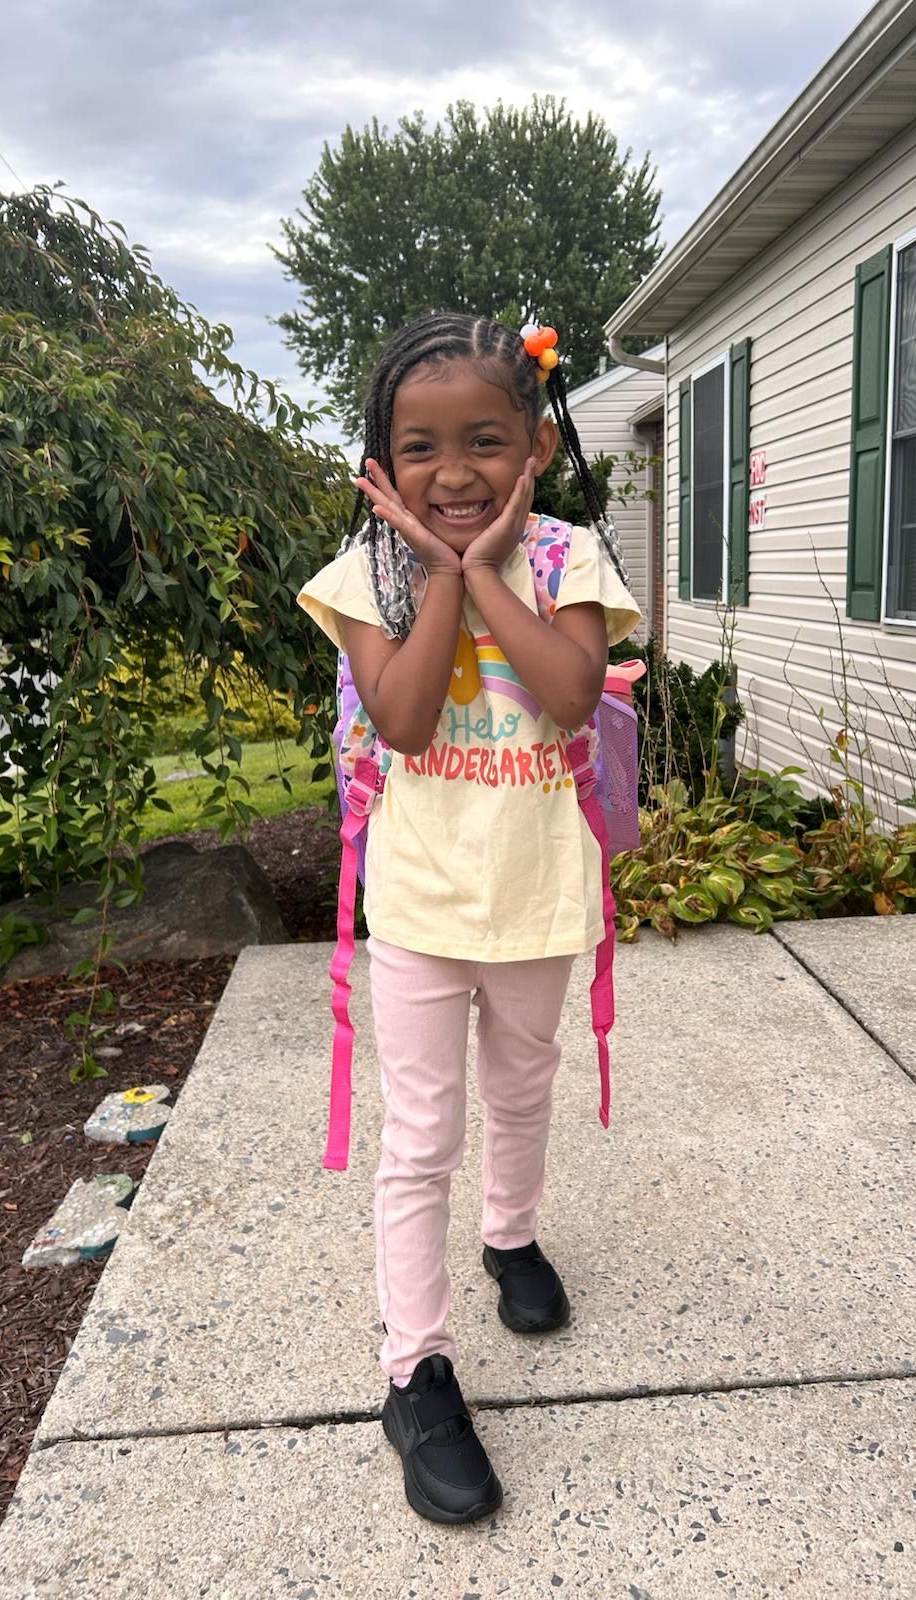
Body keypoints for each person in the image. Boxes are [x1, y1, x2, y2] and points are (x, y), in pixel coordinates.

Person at [296, 311, 640, 1525]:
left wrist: (485, 565)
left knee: (525, 1085)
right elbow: (398, 721)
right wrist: (441, 570)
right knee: (420, 1135)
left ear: (536, 445)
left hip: (543, 899)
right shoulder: (362, 578)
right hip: (425, 906)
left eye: (486, 441)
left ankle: (511, 1237)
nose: (454, 473)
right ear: (383, 466)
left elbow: (565, 693)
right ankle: (416, 1369)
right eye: (422, 447)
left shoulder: (572, 561)